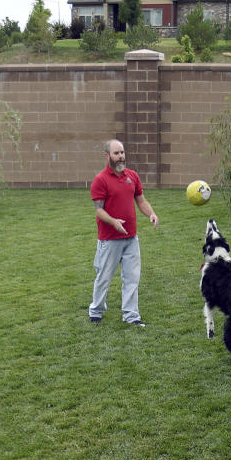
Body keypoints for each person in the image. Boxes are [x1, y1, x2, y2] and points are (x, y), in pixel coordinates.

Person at [88, 139, 159, 326]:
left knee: (132, 278)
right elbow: (99, 210)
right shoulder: (100, 180)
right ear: (107, 156)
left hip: (131, 238)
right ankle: (96, 310)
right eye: (116, 153)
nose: (121, 157)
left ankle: (131, 316)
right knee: (103, 278)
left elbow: (141, 201)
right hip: (109, 239)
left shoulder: (132, 176)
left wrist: (151, 214)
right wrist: (113, 222)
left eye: (122, 153)